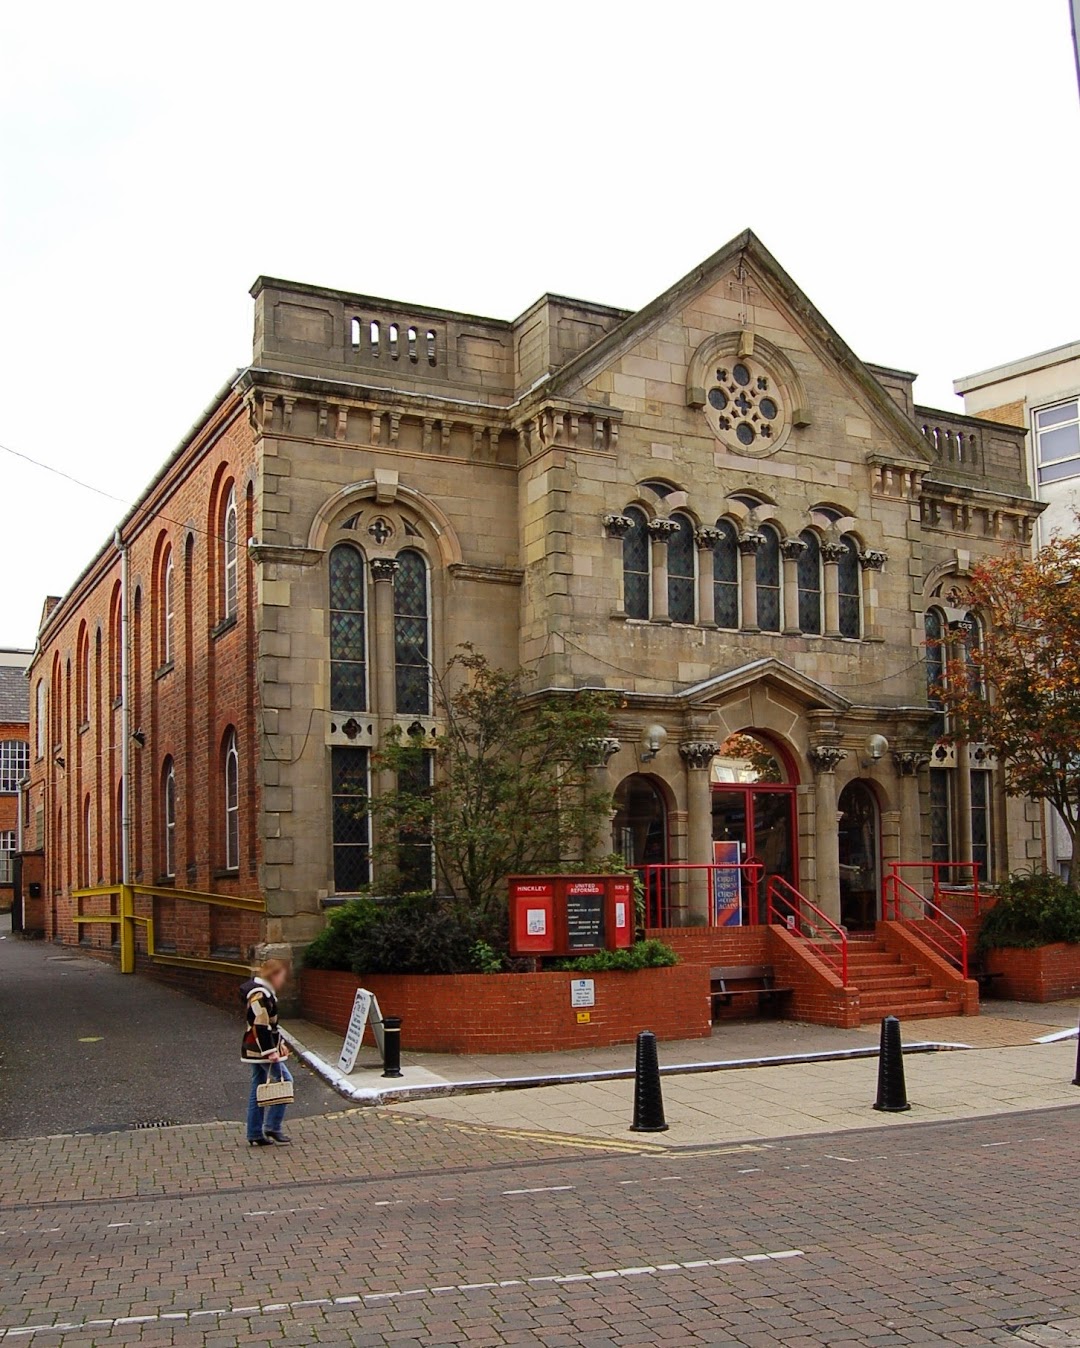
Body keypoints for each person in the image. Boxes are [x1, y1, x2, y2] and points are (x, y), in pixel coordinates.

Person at [240, 957, 293, 1146]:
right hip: (260, 1049)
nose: (282, 982)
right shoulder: (260, 995)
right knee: (285, 1080)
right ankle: (272, 1126)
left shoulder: (262, 993)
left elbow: (270, 1027)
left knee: (258, 1087)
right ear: (274, 975)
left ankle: (255, 1132)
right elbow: (261, 1025)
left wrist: (280, 1044)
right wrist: (271, 1051)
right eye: (281, 977)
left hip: (256, 1048)